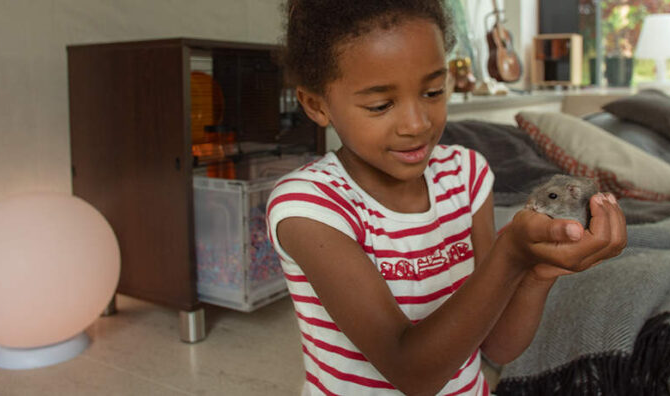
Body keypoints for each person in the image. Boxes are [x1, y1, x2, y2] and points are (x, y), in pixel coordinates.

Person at [267, 1, 627, 394]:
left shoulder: (466, 176)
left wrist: (536, 273)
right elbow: (412, 374)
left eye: (433, 91)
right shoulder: (310, 208)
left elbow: (497, 346)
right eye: (381, 105)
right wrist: (511, 254)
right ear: (317, 105)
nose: (418, 123)